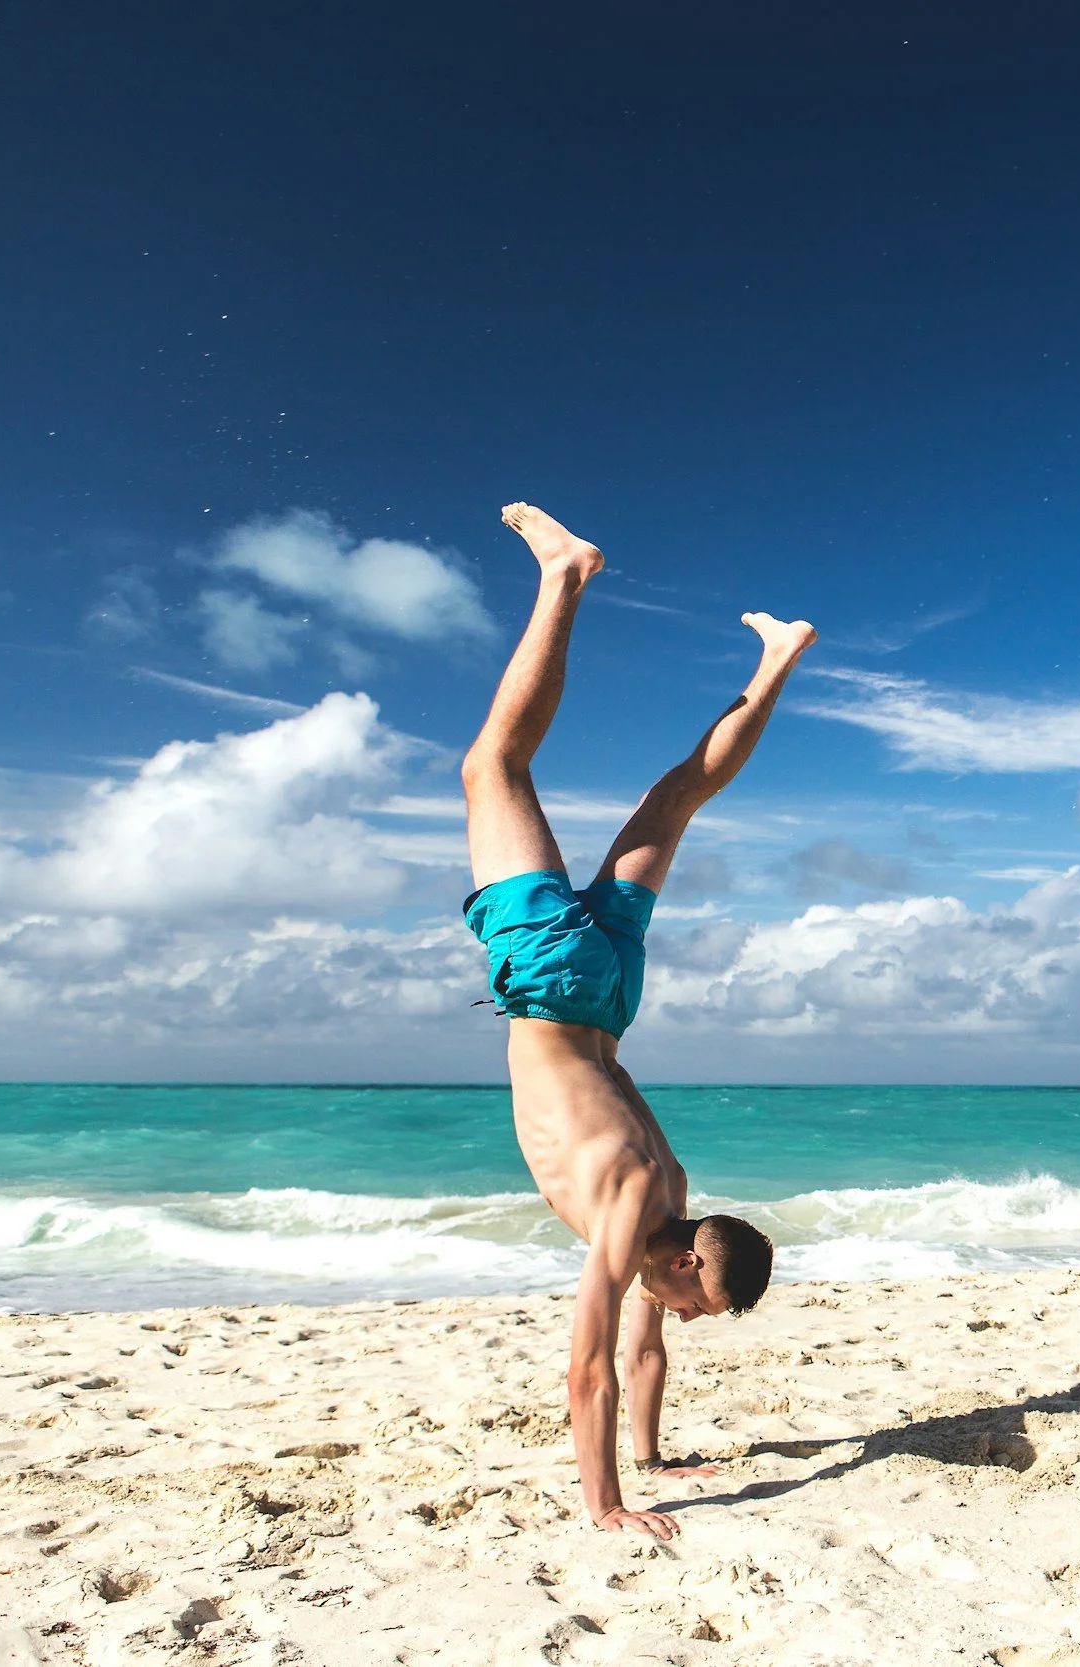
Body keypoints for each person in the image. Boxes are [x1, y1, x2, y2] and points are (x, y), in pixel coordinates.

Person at [459, 501, 815, 1540]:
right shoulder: (632, 1201)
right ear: (685, 1261)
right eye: (699, 1300)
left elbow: (646, 1345)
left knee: (675, 800)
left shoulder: (679, 1204)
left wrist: (659, 1455)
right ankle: (564, 574)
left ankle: (780, 654)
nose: (687, 1315)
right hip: (561, 986)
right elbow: (590, 1363)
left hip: (611, 996)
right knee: (494, 767)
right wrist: (610, 1503)